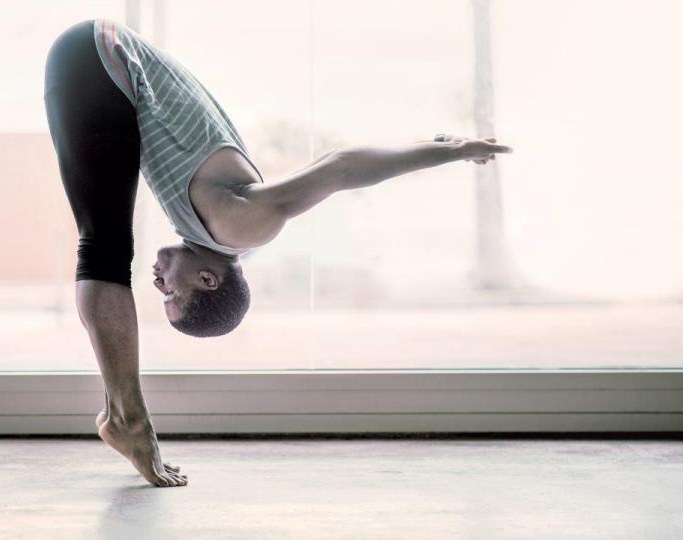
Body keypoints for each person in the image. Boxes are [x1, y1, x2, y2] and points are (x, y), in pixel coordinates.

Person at [43, 18, 512, 488]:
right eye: (171, 296)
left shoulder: (209, 225)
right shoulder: (242, 225)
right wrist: (446, 152)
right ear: (209, 281)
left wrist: (436, 143)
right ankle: (129, 419)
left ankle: (120, 412)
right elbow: (341, 168)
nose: (159, 283)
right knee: (103, 254)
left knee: (104, 249)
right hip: (99, 58)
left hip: (100, 60)